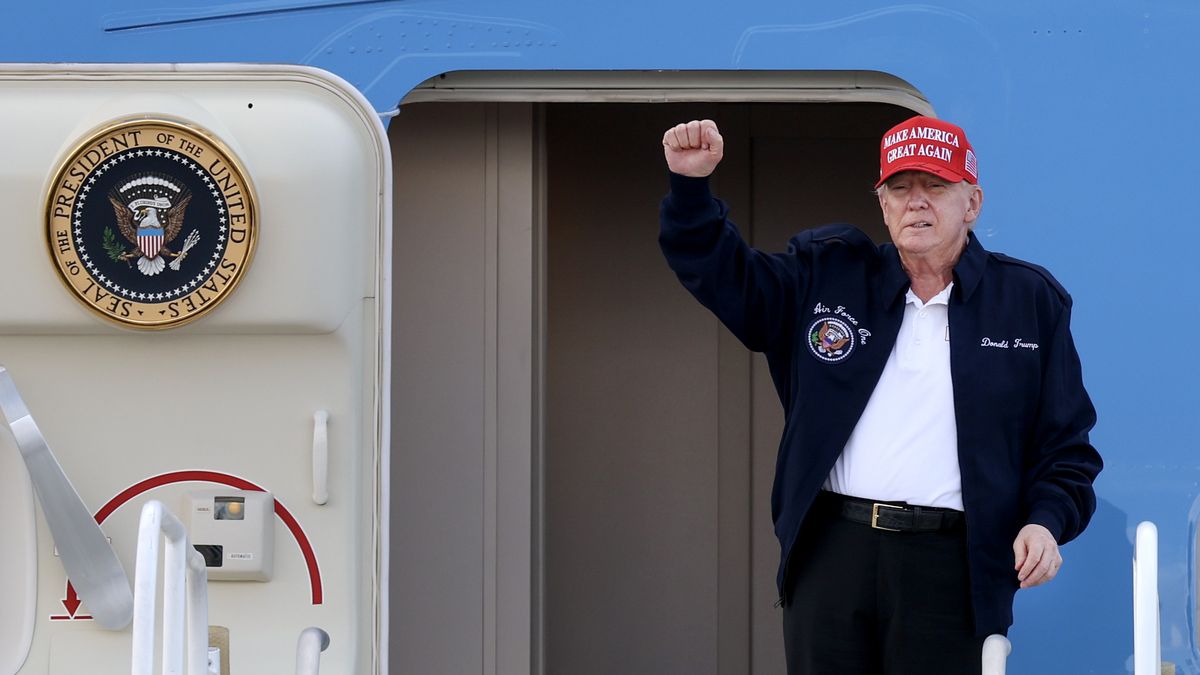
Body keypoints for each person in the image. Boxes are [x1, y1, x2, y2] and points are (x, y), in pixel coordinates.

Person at [658, 116, 1102, 673]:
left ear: (972, 203)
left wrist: (1045, 520)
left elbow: (1067, 449)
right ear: (883, 204)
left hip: (954, 565)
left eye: (935, 186)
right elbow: (726, 277)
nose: (916, 202)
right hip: (833, 554)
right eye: (899, 187)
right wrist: (691, 188)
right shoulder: (827, 273)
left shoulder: (1029, 301)